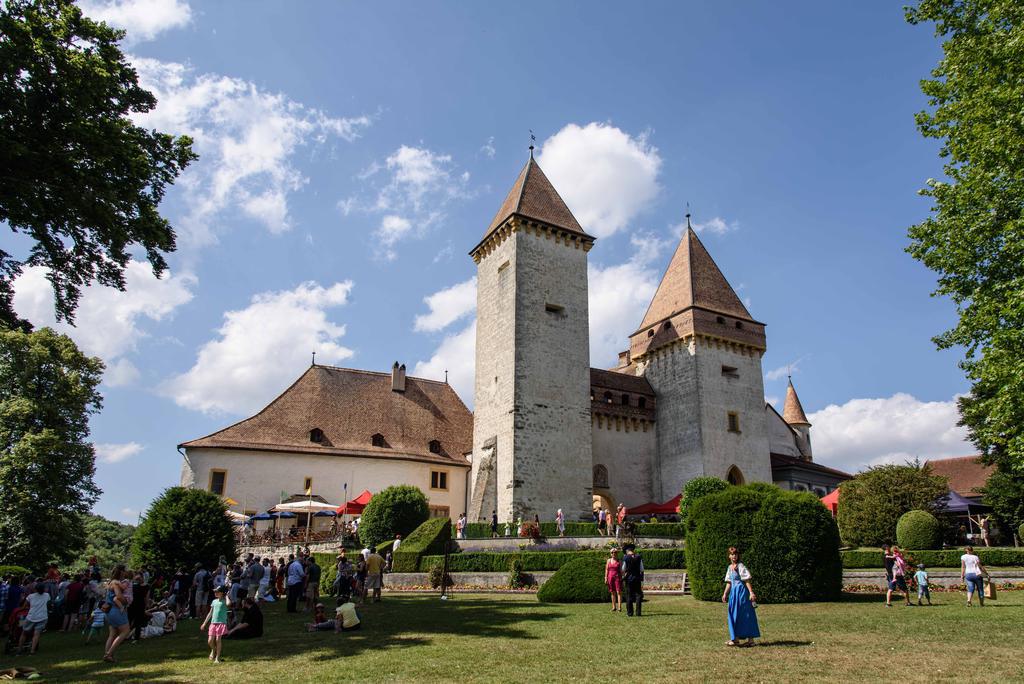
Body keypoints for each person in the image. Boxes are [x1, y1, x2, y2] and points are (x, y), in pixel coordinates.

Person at [722, 547, 760, 647]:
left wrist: (751, 592)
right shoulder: (729, 567)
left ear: (738, 556)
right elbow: (729, 582)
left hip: (742, 593)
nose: (734, 556)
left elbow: (747, 580)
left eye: (735, 554)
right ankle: (735, 639)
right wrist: (725, 594)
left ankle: (751, 641)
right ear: (729, 556)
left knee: (746, 614)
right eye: (732, 554)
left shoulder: (740, 566)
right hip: (733, 594)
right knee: (733, 614)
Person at [103, 566, 131, 663]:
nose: (125, 573)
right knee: (126, 631)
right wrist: (126, 602)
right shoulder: (116, 583)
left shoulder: (110, 582)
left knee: (113, 634)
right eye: (124, 571)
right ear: (121, 572)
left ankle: (107, 654)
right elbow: (118, 596)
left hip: (109, 611)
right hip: (116, 610)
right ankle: (109, 654)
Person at [200, 585, 230, 663]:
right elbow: (210, 613)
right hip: (213, 623)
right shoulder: (214, 601)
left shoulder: (225, 601)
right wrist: (204, 623)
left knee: (218, 640)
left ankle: (217, 658)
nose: (215, 592)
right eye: (215, 591)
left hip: (221, 623)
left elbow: (229, 604)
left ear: (223, 593)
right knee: (210, 641)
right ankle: (213, 650)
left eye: (217, 591)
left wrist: (226, 596)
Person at [18, 583, 50, 655]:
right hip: (42, 617)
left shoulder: (30, 596)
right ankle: (32, 651)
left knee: (24, 633)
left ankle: (19, 649)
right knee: (36, 634)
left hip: (31, 617)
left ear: (35, 589)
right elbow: (47, 603)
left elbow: (24, 606)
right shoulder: (47, 595)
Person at [622, 545, 645, 617]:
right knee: (638, 596)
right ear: (633, 550)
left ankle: (630, 613)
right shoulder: (639, 557)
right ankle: (638, 613)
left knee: (629, 596)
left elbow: (623, 569)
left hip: (629, 579)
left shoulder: (626, 558)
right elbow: (642, 569)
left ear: (627, 551)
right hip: (637, 578)